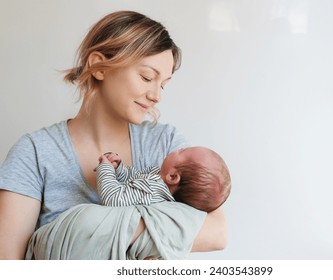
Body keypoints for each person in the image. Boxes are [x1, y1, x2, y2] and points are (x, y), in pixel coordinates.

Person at [0, 10, 227, 259]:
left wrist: (90, 232)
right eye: (147, 77)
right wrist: (157, 230)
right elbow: (8, 266)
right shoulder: (34, 152)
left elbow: (216, 233)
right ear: (98, 66)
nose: (157, 95)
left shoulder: (165, 144)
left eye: (163, 84)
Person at [96, 146, 231, 212]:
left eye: (182, 151)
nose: (180, 147)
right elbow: (129, 183)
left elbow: (113, 198)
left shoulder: (152, 189)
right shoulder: (156, 177)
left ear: (172, 177)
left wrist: (106, 168)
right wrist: (118, 168)